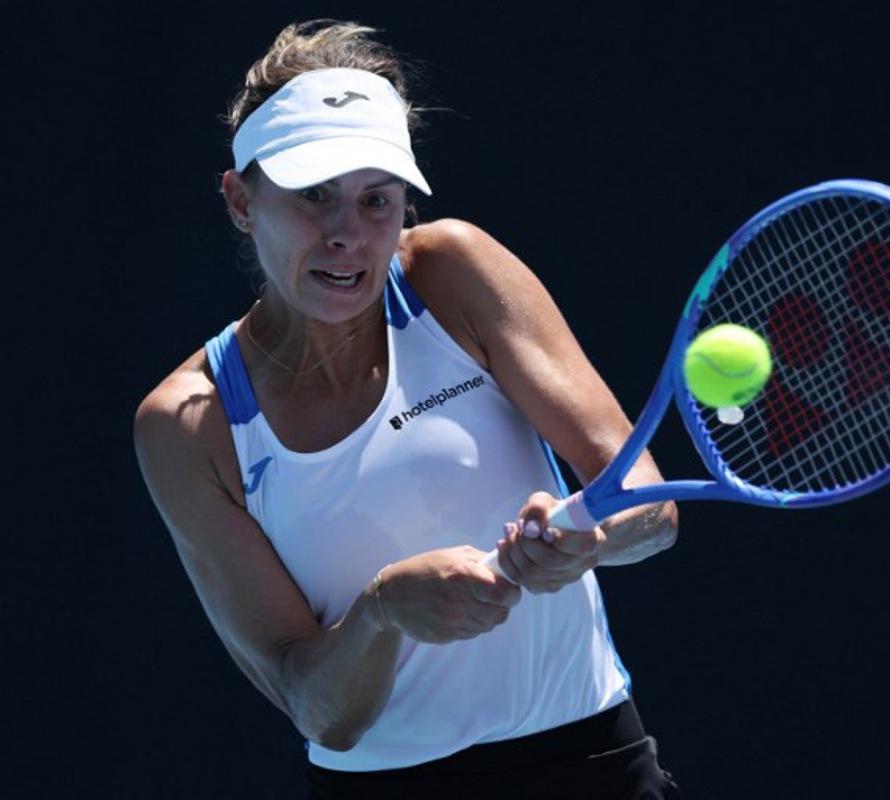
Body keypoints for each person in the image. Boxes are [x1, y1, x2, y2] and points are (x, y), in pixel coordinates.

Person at [133, 19, 682, 800]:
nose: (347, 235)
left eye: (376, 200)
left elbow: (651, 510)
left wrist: (586, 540)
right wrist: (382, 610)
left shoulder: (453, 274)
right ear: (240, 200)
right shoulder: (187, 424)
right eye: (312, 196)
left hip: (595, 766)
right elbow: (318, 711)